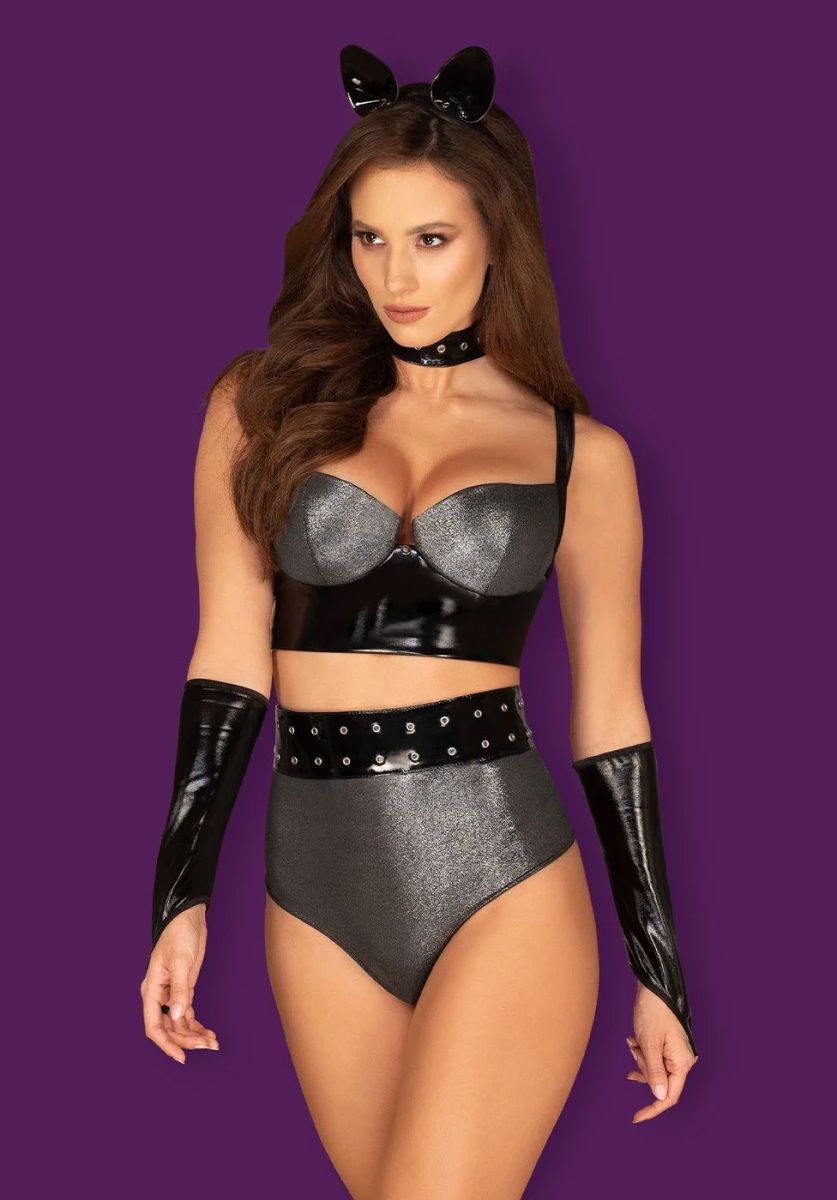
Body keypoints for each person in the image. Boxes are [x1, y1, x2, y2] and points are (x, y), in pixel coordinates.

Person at [140, 44, 699, 1199]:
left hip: (502, 870)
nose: (396, 275)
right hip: (313, 884)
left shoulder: (579, 456)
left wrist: (661, 970)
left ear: (497, 240)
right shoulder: (257, 406)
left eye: (432, 239)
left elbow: (612, 717)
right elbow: (228, 660)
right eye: (370, 238)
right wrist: (178, 897)